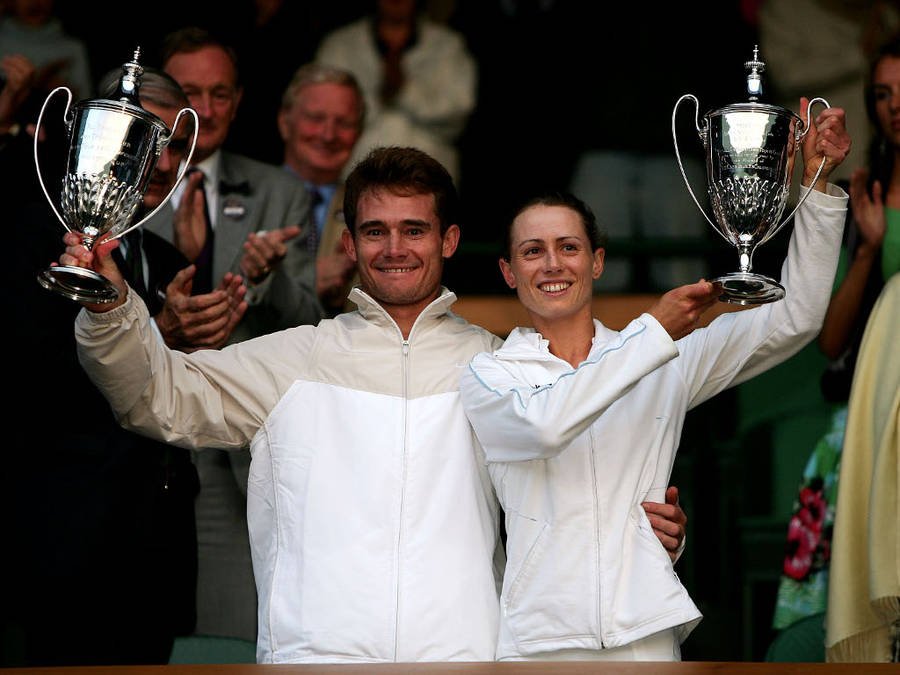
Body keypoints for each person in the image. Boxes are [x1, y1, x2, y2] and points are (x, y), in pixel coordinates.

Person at [63, 146, 686, 663]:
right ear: (351, 244)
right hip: (317, 659)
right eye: (375, 231)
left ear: (449, 240)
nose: (395, 248)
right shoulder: (292, 359)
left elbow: (572, 503)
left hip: (463, 659)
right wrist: (110, 308)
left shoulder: (503, 369)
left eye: (414, 230)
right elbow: (154, 396)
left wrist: (648, 531)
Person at [459, 101, 850, 661]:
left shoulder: (659, 357)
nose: (552, 264)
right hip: (538, 641)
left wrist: (814, 190)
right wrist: (652, 334)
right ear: (508, 272)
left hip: (646, 629)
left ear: (596, 262)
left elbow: (798, 318)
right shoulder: (490, 373)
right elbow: (545, 428)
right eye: (532, 251)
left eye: (568, 247)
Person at [3, 68, 218, 667]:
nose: (161, 159)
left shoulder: (171, 255)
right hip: (68, 542)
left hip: (155, 546)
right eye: (142, 136)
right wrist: (151, 337)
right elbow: (27, 380)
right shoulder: (34, 239)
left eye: (174, 144)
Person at [151, 27, 325, 642]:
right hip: (139, 441)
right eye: (189, 92)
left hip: (236, 450)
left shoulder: (283, 193)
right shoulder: (119, 186)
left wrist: (266, 279)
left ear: (241, 99)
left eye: (220, 93)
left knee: (230, 627)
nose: (205, 109)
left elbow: (311, 317)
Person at [773, 34, 900, 631]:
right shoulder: (866, 188)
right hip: (869, 409)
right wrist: (870, 250)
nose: (894, 104)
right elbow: (830, 342)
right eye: (881, 93)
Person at [316, 0, 476, 183]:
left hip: (430, 178)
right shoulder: (339, 44)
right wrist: (381, 96)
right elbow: (325, 107)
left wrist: (404, 92)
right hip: (354, 176)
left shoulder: (449, 46)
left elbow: (459, 110)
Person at [278, 63, 361, 314]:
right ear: (285, 123)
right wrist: (307, 279)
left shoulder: (368, 208)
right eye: (316, 118)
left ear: (359, 132)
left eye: (344, 123)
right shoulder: (245, 195)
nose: (328, 134)